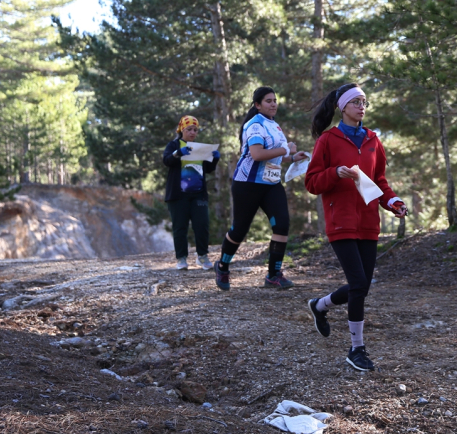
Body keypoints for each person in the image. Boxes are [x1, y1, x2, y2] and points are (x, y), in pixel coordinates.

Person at [304, 83, 407, 372]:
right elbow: (312, 182)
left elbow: (380, 182)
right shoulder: (328, 140)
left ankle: (320, 305)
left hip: (368, 223)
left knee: (361, 286)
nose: (362, 107)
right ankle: (357, 349)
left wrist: (394, 202)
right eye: (356, 102)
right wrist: (334, 173)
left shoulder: (373, 139)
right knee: (359, 285)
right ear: (343, 107)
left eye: (364, 102)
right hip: (341, 221)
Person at [213, 86, 309, 291]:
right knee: (239, 230)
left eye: (275, 100)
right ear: (258, 105)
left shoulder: (274, 125)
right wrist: (286, 149)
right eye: (268, 101)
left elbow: (274, 155)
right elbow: (257, 154)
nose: (273, 104)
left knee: (282, 225)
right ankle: (222, 266)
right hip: (247, 184)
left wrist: (292, 157)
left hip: (271, 184)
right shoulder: (254, 125)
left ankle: (274, 275)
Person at [163, 115, 221, 270]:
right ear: (182, 129)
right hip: (178, 194)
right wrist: (178, 153)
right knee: (180, 227)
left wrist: (215, 159)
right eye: (189, 129)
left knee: (202, 224)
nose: (193, 132)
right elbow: (166, 160)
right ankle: (181, 258)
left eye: (195, 129)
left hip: (198, 193)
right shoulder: (174, 144)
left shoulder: (199, 148)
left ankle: (202, 256)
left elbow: (208, 169)